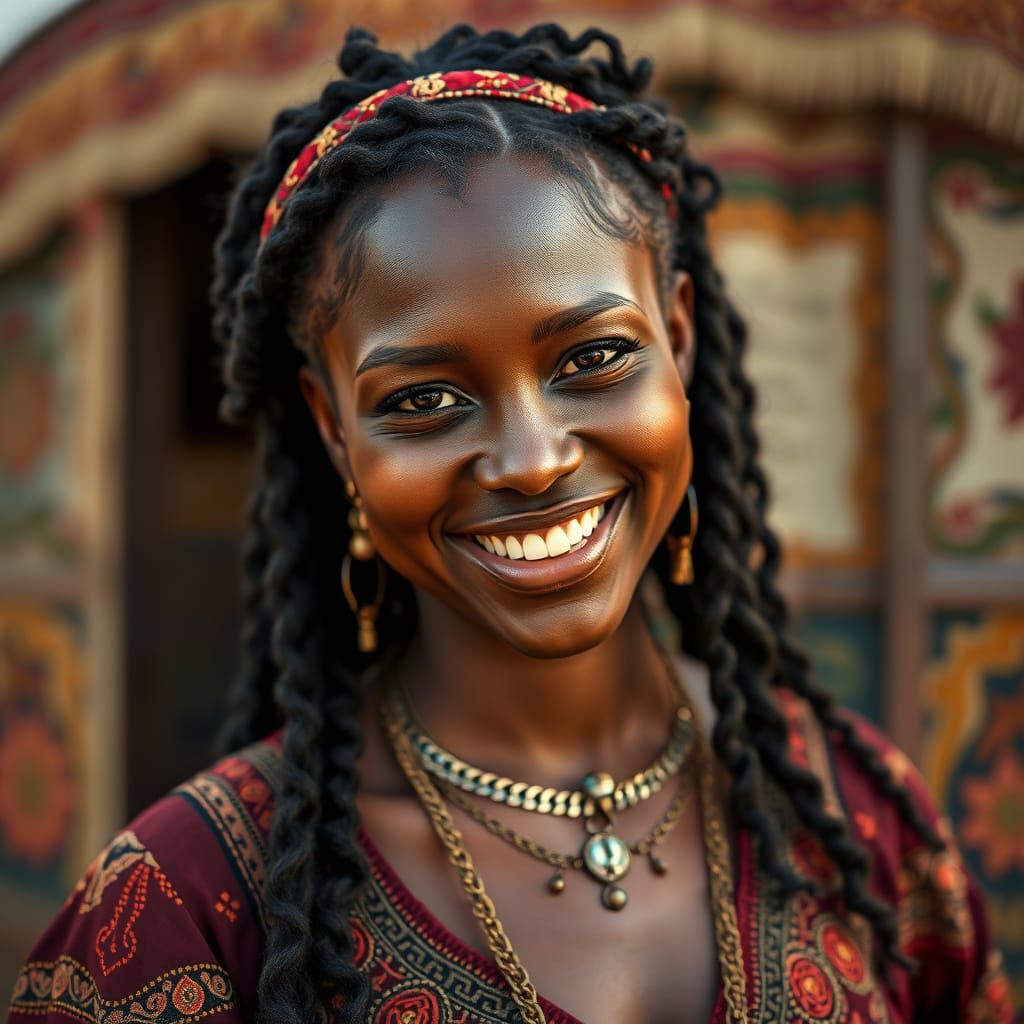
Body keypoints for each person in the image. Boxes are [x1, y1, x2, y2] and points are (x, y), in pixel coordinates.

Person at [9, 23, 1014, 1024]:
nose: (533, 460)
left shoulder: (857, 817)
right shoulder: (182, 910)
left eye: (592, 358)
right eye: (423, 400)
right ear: (332, 428)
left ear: (677, 334)